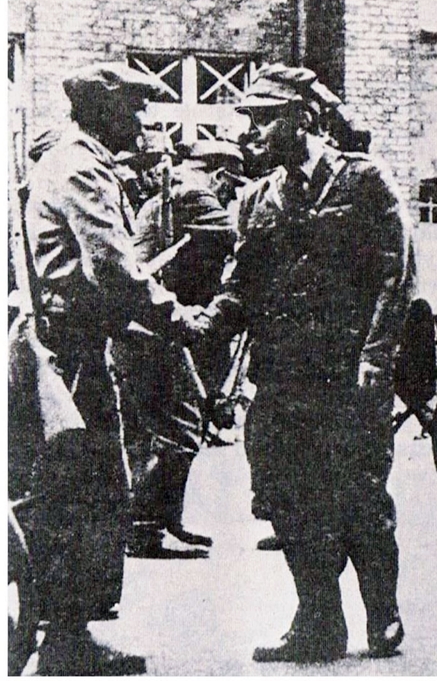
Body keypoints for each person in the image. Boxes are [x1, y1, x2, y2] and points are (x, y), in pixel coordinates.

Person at [21, 62, 213, 675]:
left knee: (81, 491)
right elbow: (113, 270)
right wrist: (178, 319)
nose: (142, 120)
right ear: (102, 110)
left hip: (78, 343)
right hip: (73, 355)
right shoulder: (81, 167)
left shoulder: (77, 161)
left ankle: (65, 631)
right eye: (133, 108)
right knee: (86, 493)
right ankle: (66, 641)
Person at [228, 64, 415, 662]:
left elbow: (396, 274)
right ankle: (318, 621)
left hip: (348, 377)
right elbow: (240, 288)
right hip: (283, 379)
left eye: (264, 119)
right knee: (289, 501)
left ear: (302, 119)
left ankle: (382, 615)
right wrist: (199, 328)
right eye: (249, 120)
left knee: (360, 498)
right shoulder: (257, 199)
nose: (251, 133)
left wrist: (376, 358)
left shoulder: (363, 181)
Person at [120, 140, 247, 556]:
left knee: (166, 427)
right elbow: (240, 237)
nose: (230, 196)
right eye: (231, 187)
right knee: (181, 427)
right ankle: (145, 529)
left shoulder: (169, 194)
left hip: (145, 326)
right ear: (220, 175)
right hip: (155, 328)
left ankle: (164, 521)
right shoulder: (196, 194)